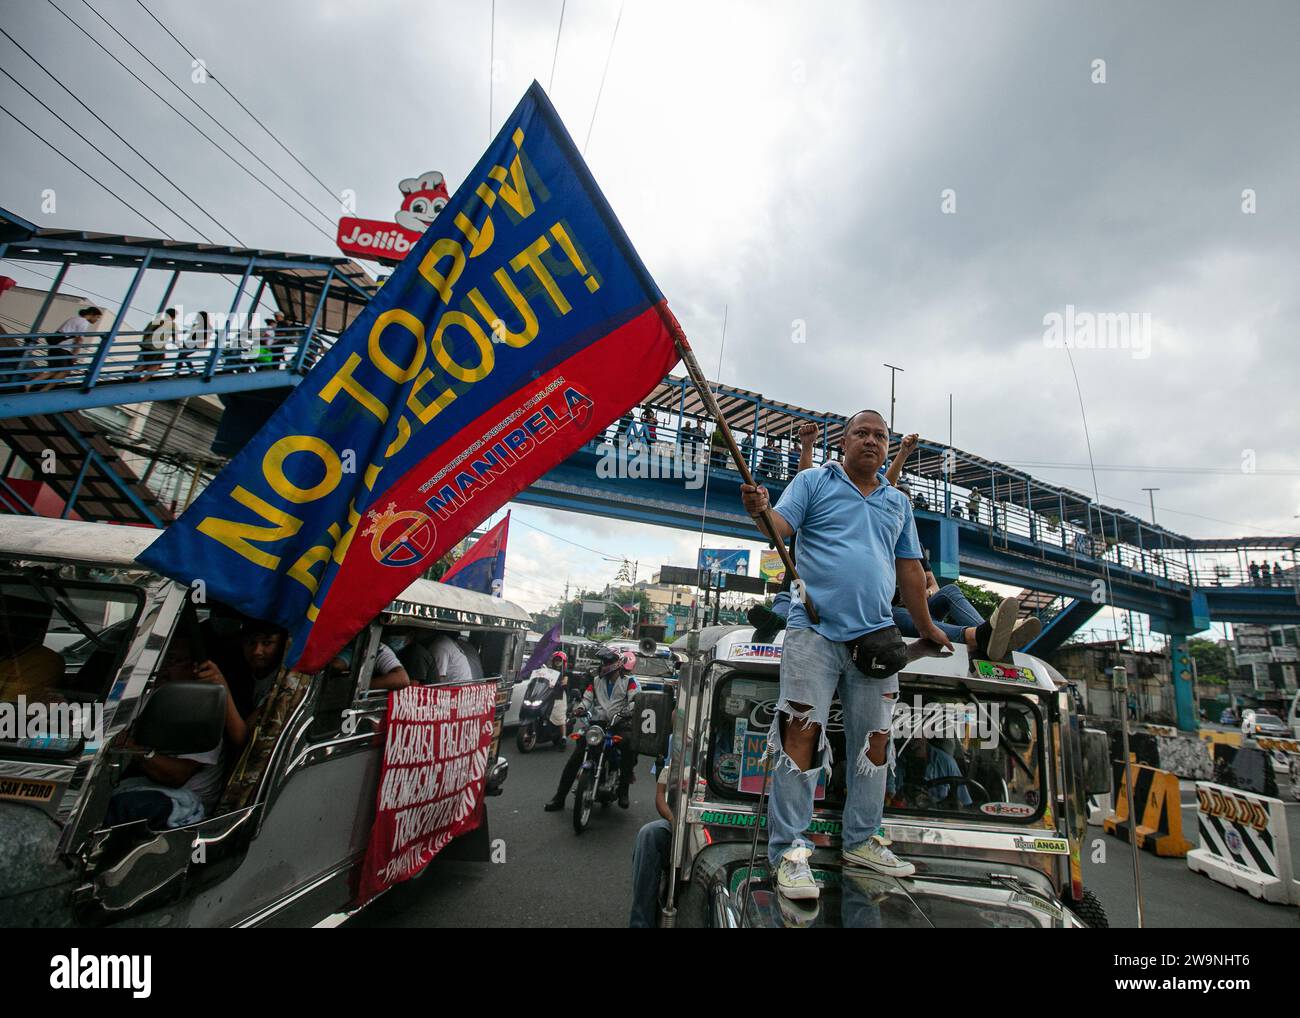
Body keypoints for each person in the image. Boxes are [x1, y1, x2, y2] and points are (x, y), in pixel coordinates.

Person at [739, 408, 953, 903]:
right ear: (844, 441)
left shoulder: (897, 502)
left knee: (875, 741)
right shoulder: (814, 481)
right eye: (862, 433)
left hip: (876, 639)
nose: (872, 441)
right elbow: (778, 527)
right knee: (800, 733)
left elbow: (910, 570)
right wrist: (759, 510)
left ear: (887, 446)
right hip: (812, 631)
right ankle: (789, 851)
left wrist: (926, 628)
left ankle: (861, 841)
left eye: (880, 435)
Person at [105, 635, 227, 829]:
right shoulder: (149, 696)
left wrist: (134, 749)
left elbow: (177, 776)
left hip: (182, 800)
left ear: (195, 667)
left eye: (174, 660)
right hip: (140, 786)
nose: (164, 667)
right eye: (162, 659)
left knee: (127, 809)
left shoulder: (201, 706)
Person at [544, 647, 639, 811]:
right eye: (603, 662)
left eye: (608, 661)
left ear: (617, 663)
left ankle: (624, 790)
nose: (605, 665)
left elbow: (635, 700)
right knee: (576, 757)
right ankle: (559, 798)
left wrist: (627, 712)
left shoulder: (629, 682)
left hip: (620, 723)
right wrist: (580, 708)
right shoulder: (596, 681)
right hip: (598, 723)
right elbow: (587, 699)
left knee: (628, 745)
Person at [629, 741, 675, 927]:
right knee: (649, 835)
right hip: (683, 824)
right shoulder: (680, 738)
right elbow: (661, 794)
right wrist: (673, 820)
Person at [29, 305, 102, 388]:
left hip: (56, 347)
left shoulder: (73, 319)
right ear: (92, 314)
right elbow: (79, 339)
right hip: (63, 349)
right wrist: (75, 354)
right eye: (97, 317)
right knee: (65, 371)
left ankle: (29, 384)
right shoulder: (84, 322)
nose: (97, 320)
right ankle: (44, 390)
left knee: (54, 371)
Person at [135, 308, 175, 380]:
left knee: (148, 363)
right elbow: (175, 337)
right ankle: (141, 380)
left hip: (146, 345)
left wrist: (144, 342)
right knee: (156, 364)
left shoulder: (154, 322)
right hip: (156, 348)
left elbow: (145, 332)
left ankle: (131, 374)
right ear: (174, 317)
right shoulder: (171, 325)